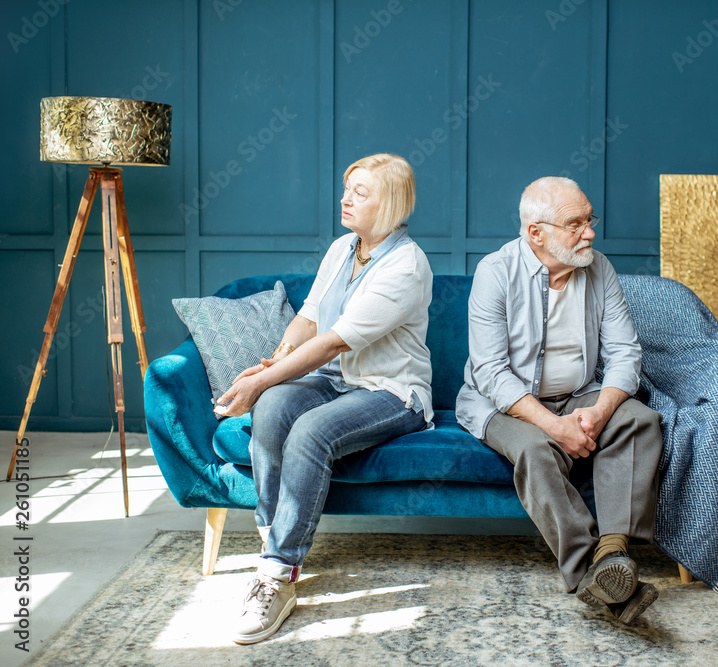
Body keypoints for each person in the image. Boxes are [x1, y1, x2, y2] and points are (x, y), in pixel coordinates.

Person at [213, 153, 434, 644]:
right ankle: (275, 543)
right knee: (272, 409)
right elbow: (311, 318)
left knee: (310, 431)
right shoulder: (341, 248)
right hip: (331, 379)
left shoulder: (407, 265)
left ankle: (276, 574)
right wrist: (274, 363)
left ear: (392, 202)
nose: (345, 198)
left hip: (391, 390)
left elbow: (335, 339)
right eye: (345, 188)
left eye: (361, 191)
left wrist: (259, 381)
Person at [456, 176, 663, 623]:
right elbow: (491, 372)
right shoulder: (496, 272)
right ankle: (592, 571)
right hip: (503, 403)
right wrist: (556, 428)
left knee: (641, 420)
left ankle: (613, 552)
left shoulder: (599, 268)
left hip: (580, 395)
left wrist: (601, 409)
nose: (589, 232)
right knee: (535, 449)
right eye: (575, 223)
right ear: (537, 232)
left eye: (590, 220)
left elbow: (625, 352)